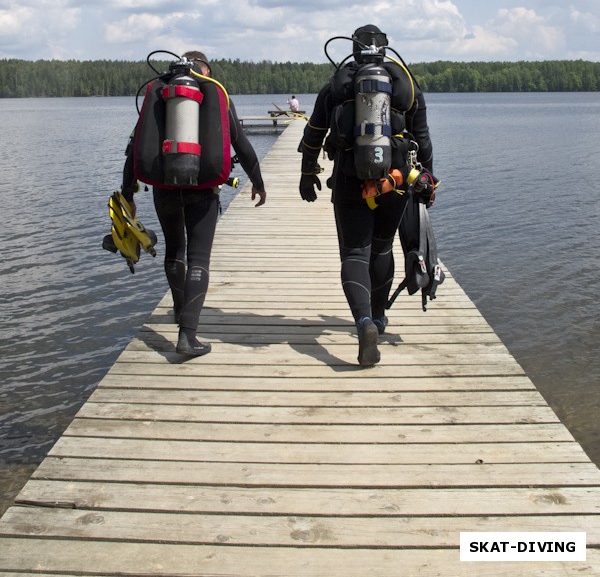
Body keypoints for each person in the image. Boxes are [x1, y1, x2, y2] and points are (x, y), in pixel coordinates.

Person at [298, 25, 434, 367]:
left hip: (349, 178)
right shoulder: (405, 84)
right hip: (397, 179)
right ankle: (379, 317)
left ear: (354, 49)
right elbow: (423, 138)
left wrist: (307, 172)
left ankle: (363, 324)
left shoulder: (337, 85)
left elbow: (314, 132)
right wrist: (428, 177)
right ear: (385, 49)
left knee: (355, 253)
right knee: (384, 246)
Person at [122, 50, 267, 358]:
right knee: (198, 258)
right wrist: (258, 181)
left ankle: (178, 307)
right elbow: (241, 143)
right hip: (203, 191)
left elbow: (135, 147)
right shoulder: (216, 96)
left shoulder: (161, 96)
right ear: (206, 71)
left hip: (164, 189)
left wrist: (128, 193)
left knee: (175, 250)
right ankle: (188, 335)